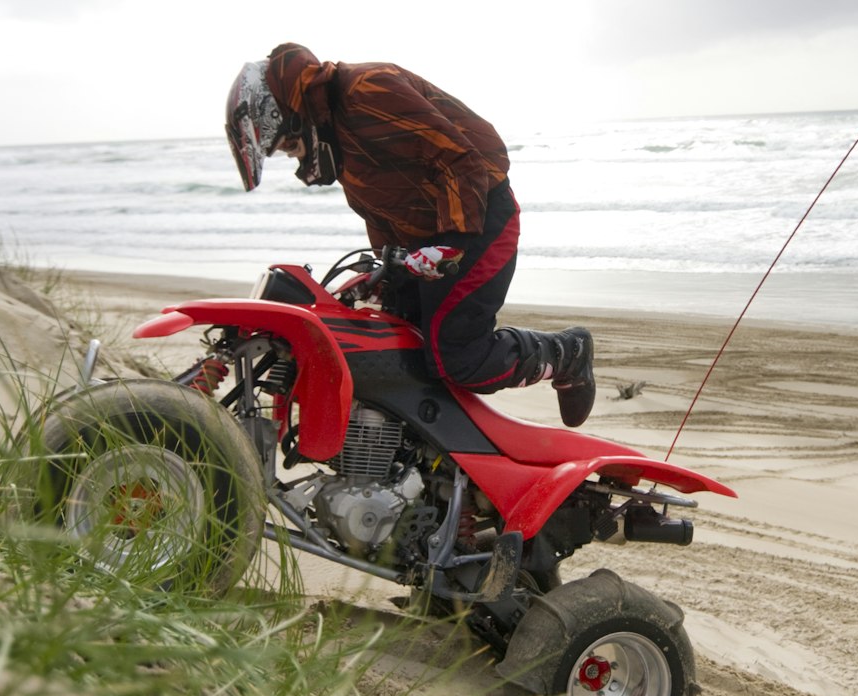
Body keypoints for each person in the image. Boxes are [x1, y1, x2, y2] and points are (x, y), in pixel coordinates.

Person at [223, 43, 596, 427]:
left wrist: (452, 243)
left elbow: (459, 158)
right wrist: (385, 270)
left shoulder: (367, 89)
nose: (290, 154)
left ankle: (568, 352)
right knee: (395, 343)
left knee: (457, 358)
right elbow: (382, 211)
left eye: (285, 144)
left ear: (290, 115)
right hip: (428, 236)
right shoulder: (339, 139)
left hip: (480, 218)